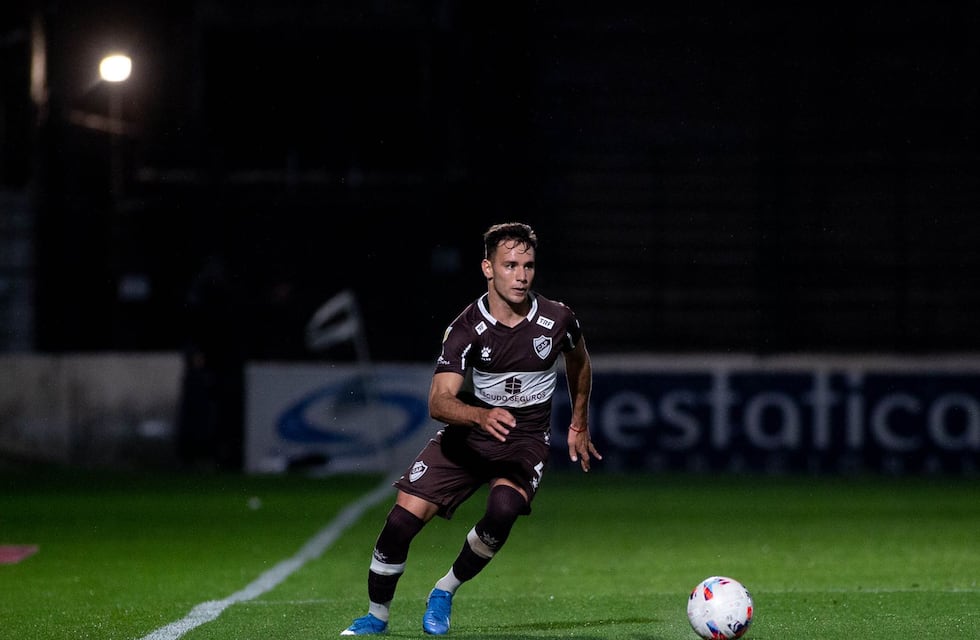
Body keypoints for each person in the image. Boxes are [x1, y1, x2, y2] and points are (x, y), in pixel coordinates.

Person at [341, 222, 601, 636]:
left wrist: (579, 421)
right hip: (469, 435)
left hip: (525, 442)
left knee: (502, 511)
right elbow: (438, 402)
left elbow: (580, 360)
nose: (521, 275)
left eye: (528, 266)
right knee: (400, 525)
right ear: (487, 268)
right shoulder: (465, 329)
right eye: (510, 265)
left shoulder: (557, 319)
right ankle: (377, 616)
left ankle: (444, 591)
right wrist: (480, 415)